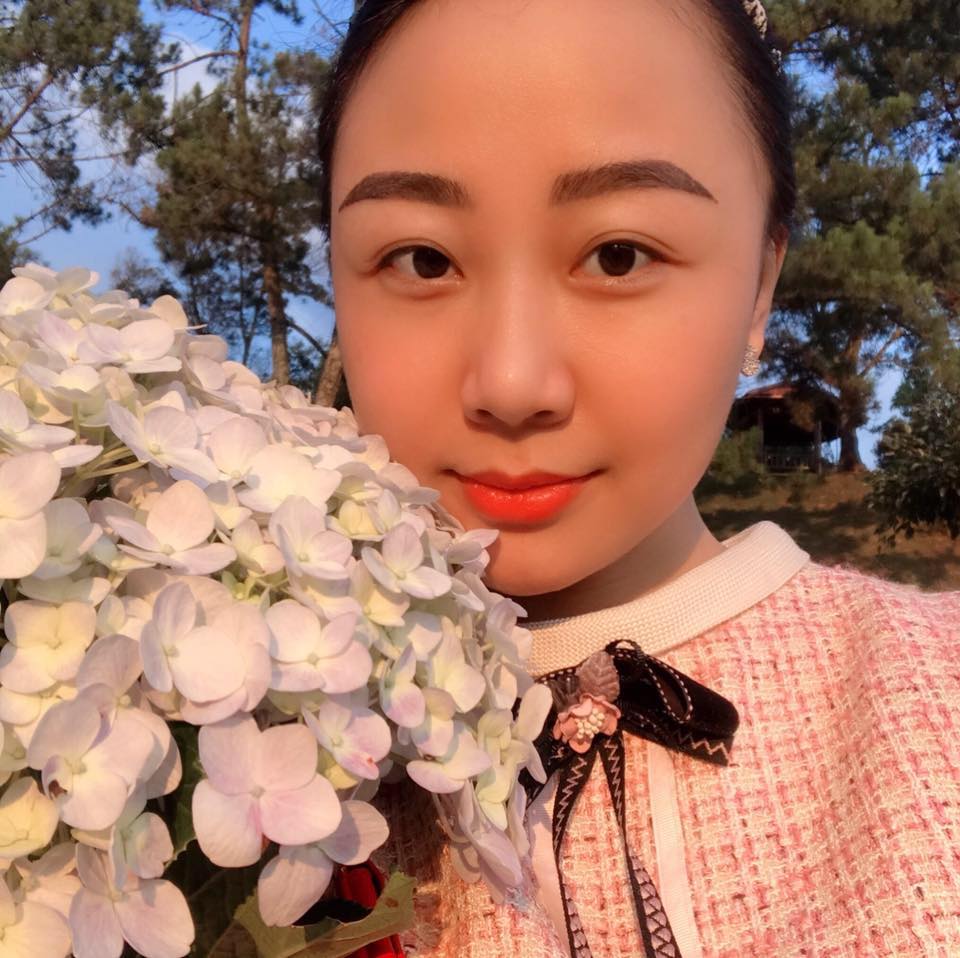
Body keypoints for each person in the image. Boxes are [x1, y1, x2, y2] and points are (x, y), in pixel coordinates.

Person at [316, 1, 960, 955]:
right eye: (423, 258)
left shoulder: (934, 693)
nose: (512, 384)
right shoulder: (261, 752)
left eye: (618, 256)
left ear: (761, 284)